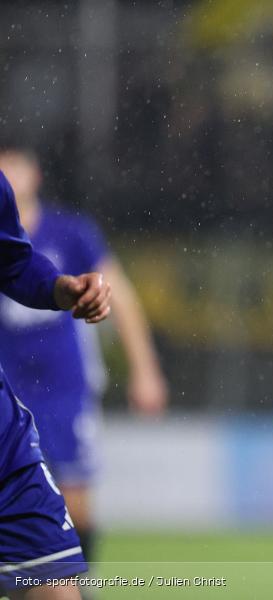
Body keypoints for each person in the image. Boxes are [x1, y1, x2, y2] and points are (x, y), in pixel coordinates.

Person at [0, 148, 168, 570]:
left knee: (75, 501)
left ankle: (81, 582)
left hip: (62, 387)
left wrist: (145, 370)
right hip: (8, 388)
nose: (9, 174)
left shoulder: (70, 232)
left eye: (16, 165)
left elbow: (119, 296)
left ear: (35, 175)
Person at [0, 168, 111, 599]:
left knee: (57, 588)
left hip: (6, 432)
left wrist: (56, 287)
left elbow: (12, 261)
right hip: (22, 387)